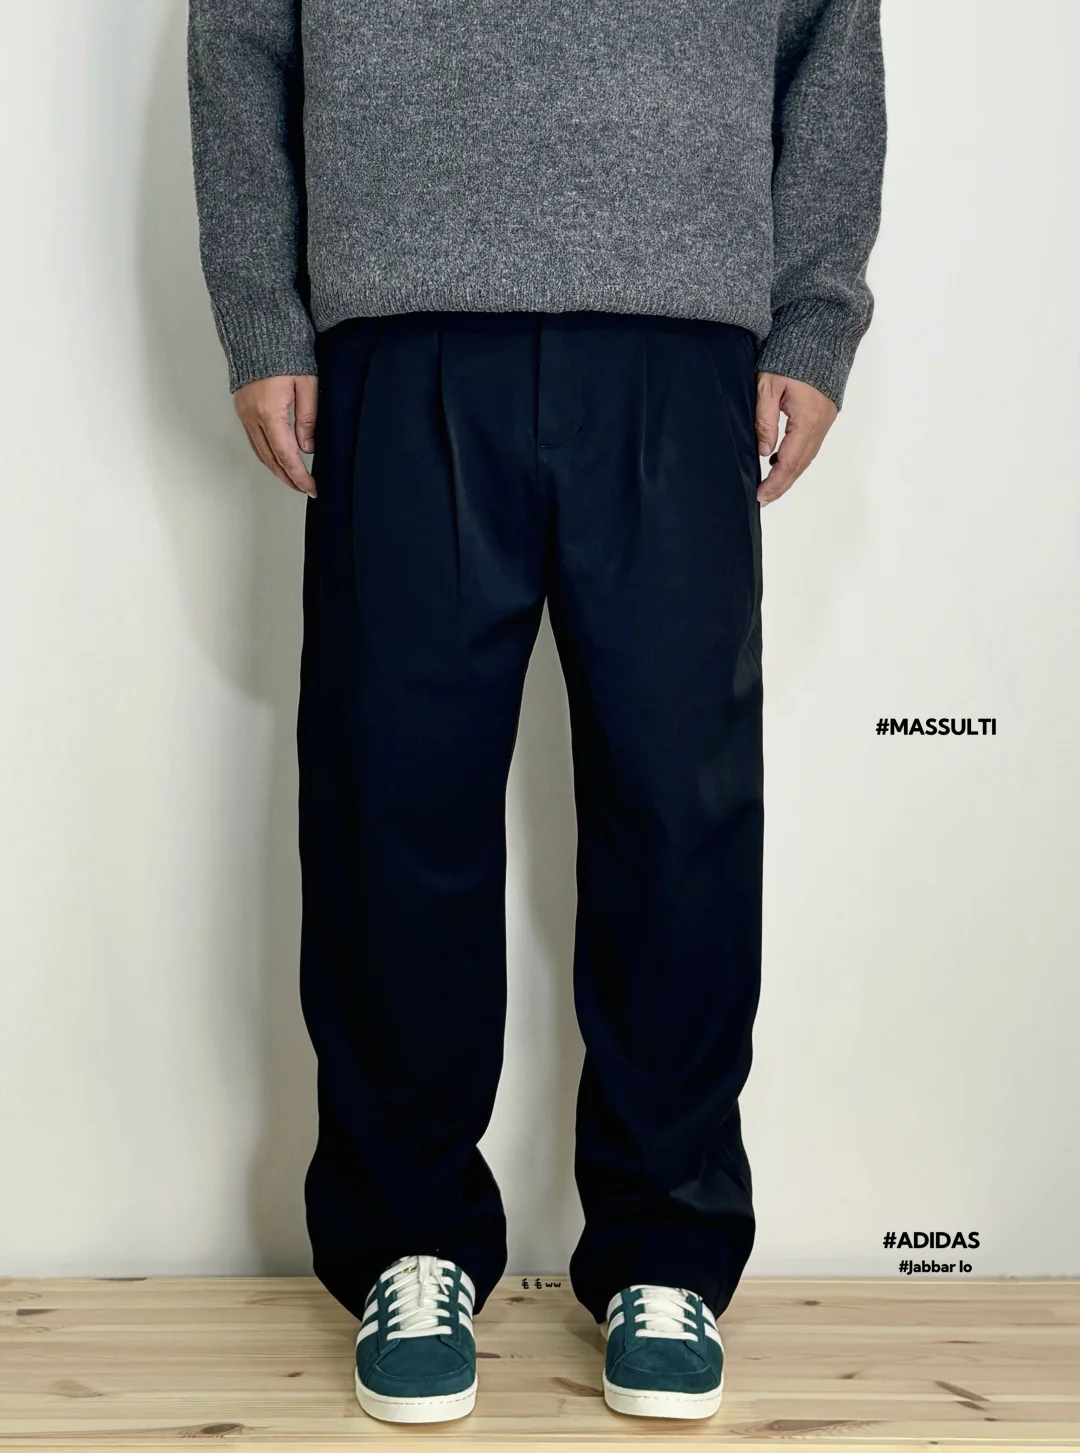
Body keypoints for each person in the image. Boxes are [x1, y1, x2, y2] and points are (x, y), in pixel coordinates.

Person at [187, 0, 886, 1425]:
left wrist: (815, 317)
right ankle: (408, 1239)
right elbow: (240, 30)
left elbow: (833, 35)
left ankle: (666, 1250)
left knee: (678, 811)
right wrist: (262, 309)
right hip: (401, 333)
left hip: (683, 337)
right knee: (393, 802)